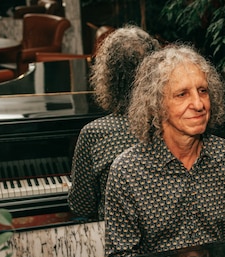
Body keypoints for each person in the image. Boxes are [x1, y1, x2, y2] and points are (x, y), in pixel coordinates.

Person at [104, 44, 225, 257]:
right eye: (182, 94)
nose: (198, 103)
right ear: (156, 104)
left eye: (203, 91)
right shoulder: (128, 171)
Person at [68, 25, 160, 220]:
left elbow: (81, 205)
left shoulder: (95, 133)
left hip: (117, 235)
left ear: (108, 76)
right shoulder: (174, 124)